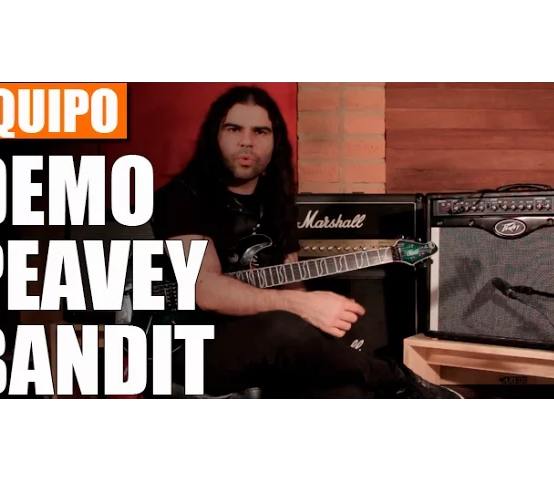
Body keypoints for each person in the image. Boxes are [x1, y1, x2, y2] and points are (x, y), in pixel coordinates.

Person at [151, 85, 463, 399]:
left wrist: (312, 322)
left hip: (267, 344)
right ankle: (397, 379)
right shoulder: (182, 197)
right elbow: (205, 289)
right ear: (215, 136)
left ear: (275, 141)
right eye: (234, 129)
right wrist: (302, 306)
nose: (246, 141)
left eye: (260, 131)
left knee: (347, 388)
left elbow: (292, 283)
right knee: (282, 326)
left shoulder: (276, 203)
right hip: (188, 346)